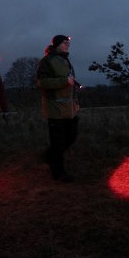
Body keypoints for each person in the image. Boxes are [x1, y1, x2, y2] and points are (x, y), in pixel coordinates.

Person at [36, 35, 80, 182]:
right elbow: (42, 82)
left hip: (69, 109)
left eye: (68, 43)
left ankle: (49, 156)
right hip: (55, 109)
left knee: (72, 136)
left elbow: (68, 79)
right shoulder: (46, 61)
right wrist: (64, 81)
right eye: (65, 42)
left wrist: (75, 85)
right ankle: (58, 173)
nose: (68, 45)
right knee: (58, 143)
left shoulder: (65, 60)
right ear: (56, 44)